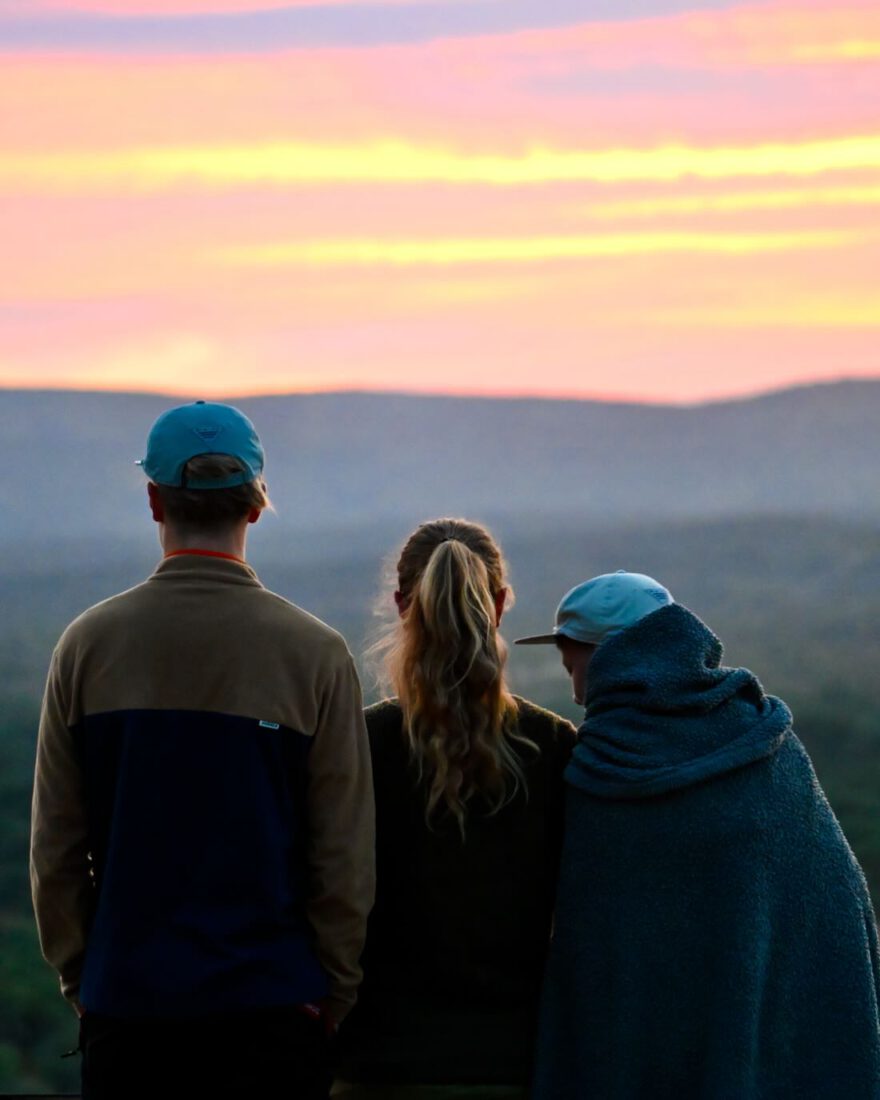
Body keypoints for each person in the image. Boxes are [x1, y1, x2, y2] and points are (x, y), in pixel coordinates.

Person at [30, 400, 375, 1099]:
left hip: (129, 1012)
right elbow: (341, 856)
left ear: (155, 501)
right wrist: (330, 992)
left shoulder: (87, 646)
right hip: (275, 1015)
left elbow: (55, 850)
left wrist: (85, 978)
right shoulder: (315, 654)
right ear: (254, 506)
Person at [517, 570, 880, 1100]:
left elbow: (598, 961)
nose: (575, 693)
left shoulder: (602, 773)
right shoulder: (765, 743)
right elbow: (839, 913)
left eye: (574, 666)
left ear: (609, 658)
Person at [333, 518, 577, 1098]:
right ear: (498, 604)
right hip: (514, 1064)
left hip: (378, 1065)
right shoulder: (555, 747)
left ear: (400, 605)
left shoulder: (357, 746)